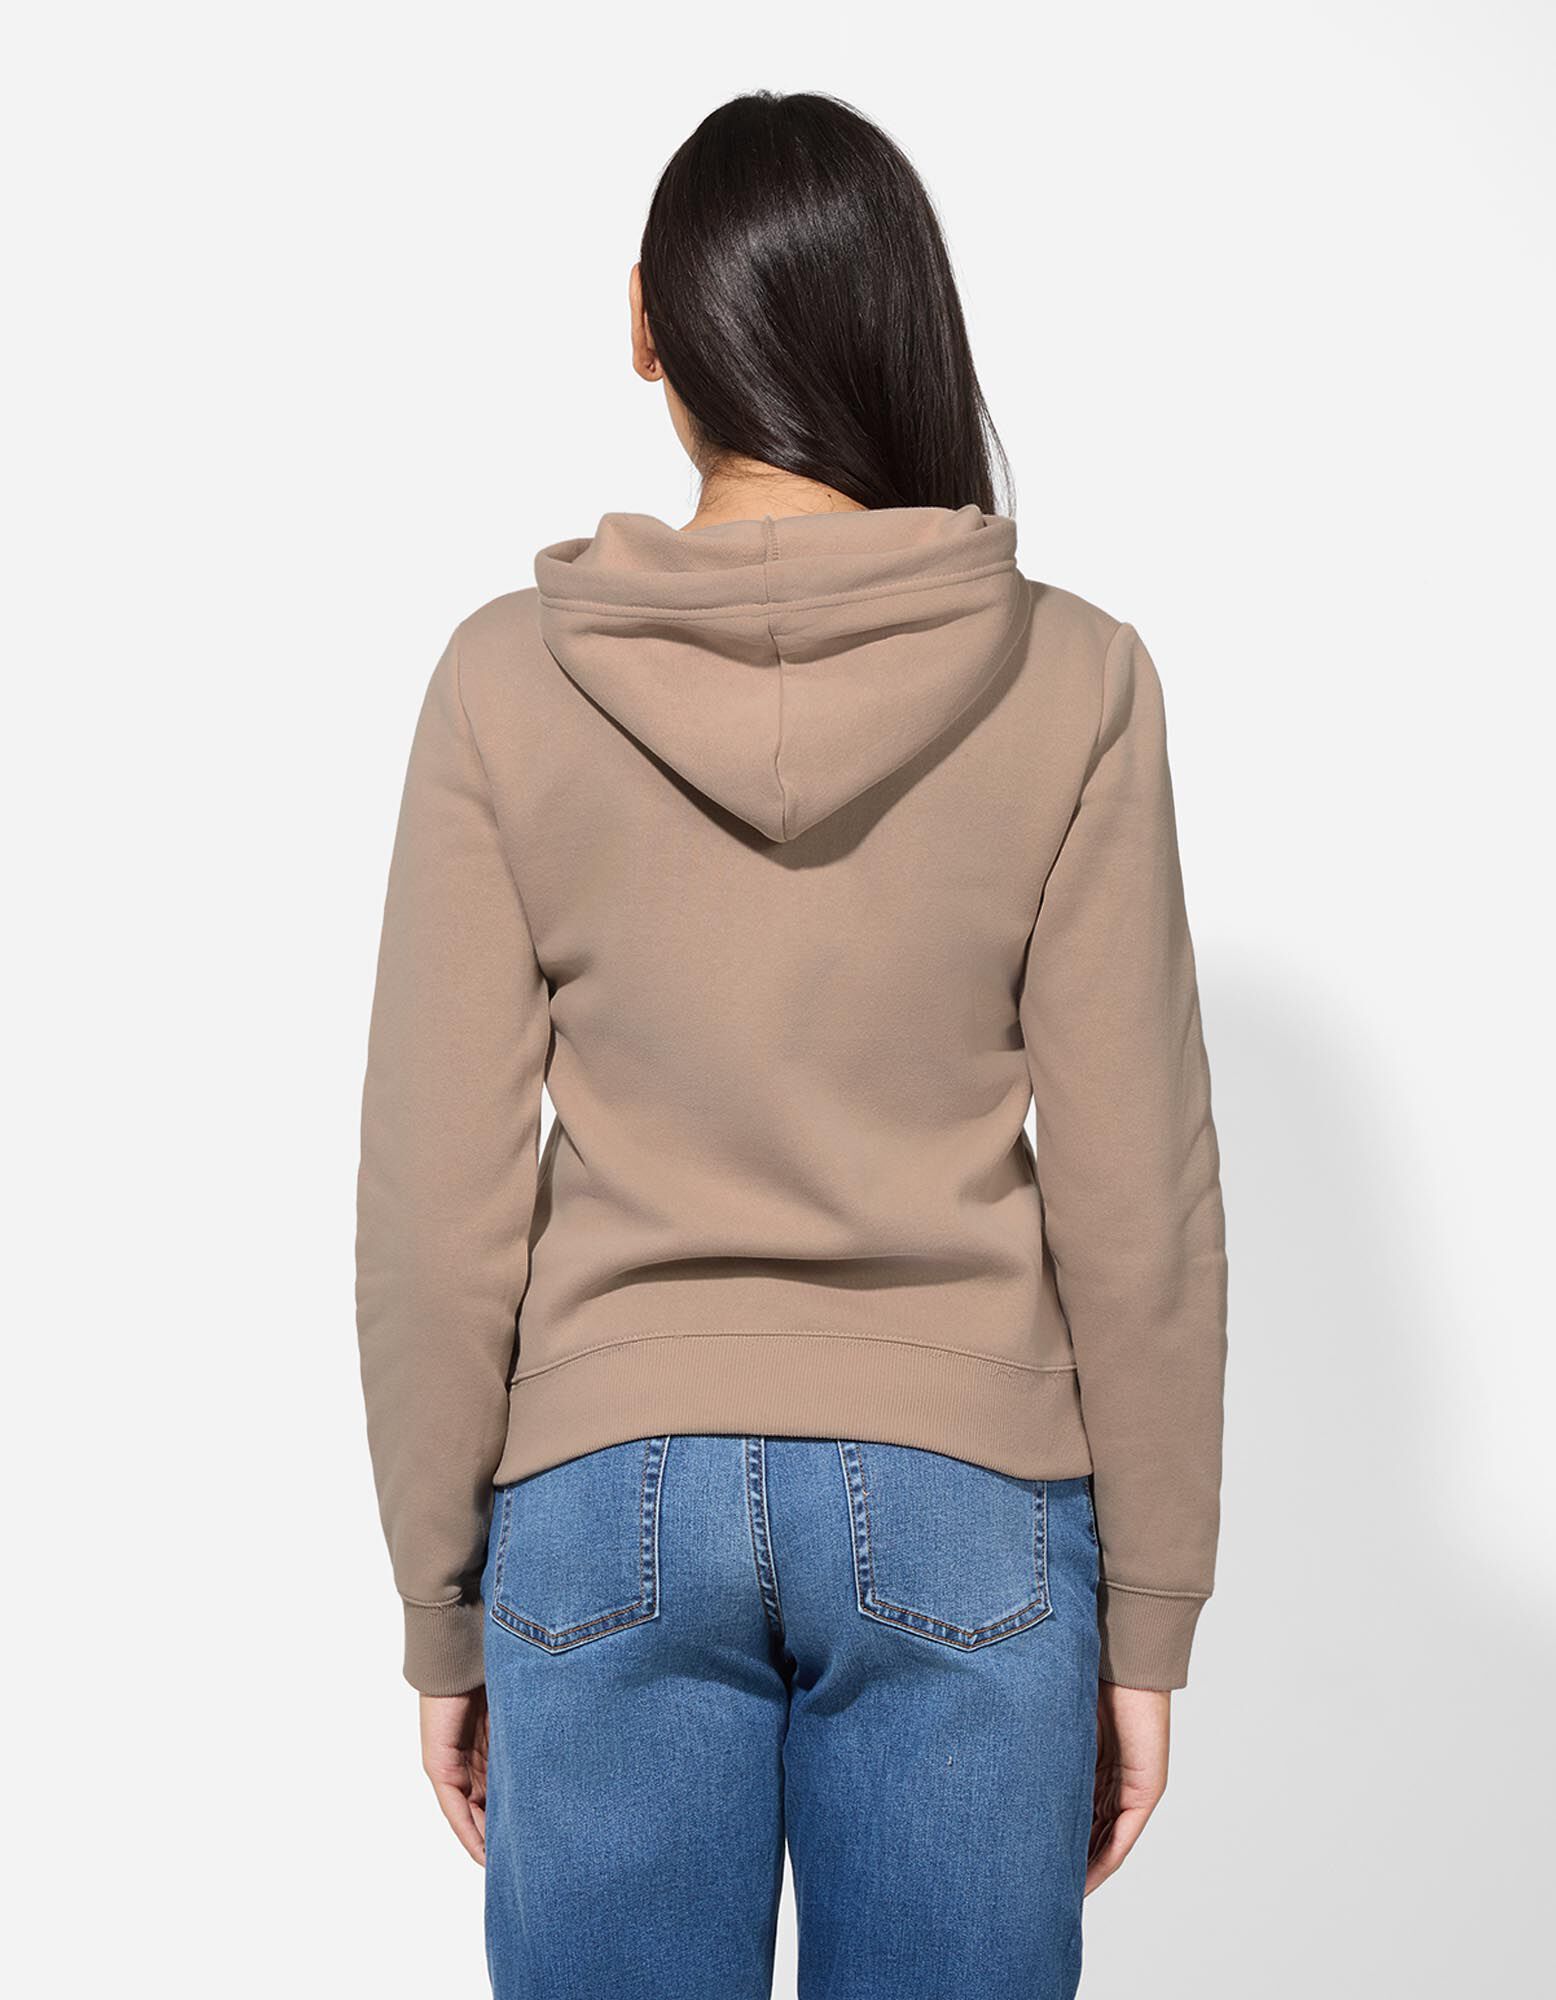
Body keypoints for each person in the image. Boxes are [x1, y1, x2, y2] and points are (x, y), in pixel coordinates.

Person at [356, 89, 1227, 2000]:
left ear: (646, 326)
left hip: (599, 1498)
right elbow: (1137, 1196)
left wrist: (442, 1609)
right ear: (899, 322)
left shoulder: (506, 681)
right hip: (971, 1498)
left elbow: (436, 1205)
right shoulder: (1077, 677)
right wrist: (1152, 1615)